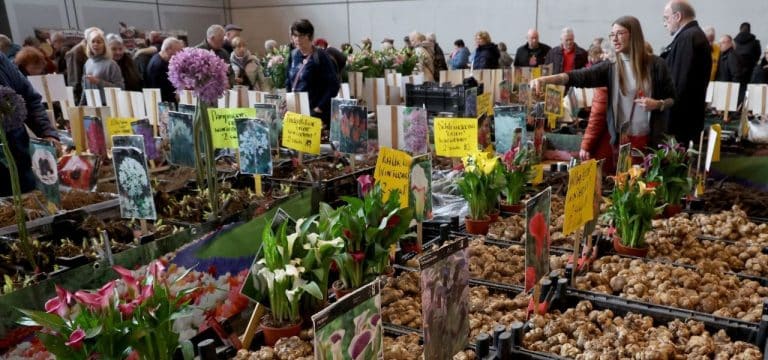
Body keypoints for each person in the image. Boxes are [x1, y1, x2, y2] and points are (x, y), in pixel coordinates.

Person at [531, 15, 676, 153]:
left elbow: (672, 99)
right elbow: (578, 76)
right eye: (612, 35)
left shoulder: (657, 65)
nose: (614, 39)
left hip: (649, 141)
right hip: (621, 141)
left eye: (619, 33)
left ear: (634, 35)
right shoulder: (610, 66)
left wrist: (658, 104)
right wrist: (545, 80)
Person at [0, 53, 60, 196]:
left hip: (19, 155)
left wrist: (47, 132)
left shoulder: (2, 62)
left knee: (29, 203)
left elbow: (30, 100)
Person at [660, 0, 710, 145]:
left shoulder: (687, 38)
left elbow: (678, 82)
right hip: (689, 115)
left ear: (677, 16)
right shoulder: (693, 35)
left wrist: (668, 115)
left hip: (681, 118)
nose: (665, 23)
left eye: (666, 18)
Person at [285, 19, 340, 126]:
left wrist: (319, 108)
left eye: (301, 36)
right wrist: (288, 101)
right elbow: (288, 80)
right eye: (294, 36)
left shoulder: (320, 56)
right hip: (296, 110)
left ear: (309, 36)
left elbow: (334, 85)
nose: (297, 39)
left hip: (315, 112)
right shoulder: (293, 55)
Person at [81, 28, 124, 105]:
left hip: (108, 106)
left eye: (99, 42)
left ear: (104, 45)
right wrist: (81, 105)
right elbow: (85, 88)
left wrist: (98, 82)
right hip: (91, 106)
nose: (95, 44)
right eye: (93, 41)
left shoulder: (111, 64)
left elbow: (120, 88)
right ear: (89, 44)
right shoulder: (87, 63)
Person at [146, 37, 184, 103]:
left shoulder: (160, 59)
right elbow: (162, 92)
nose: (178, 56)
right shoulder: (158, 65)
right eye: (177, 52)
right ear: (167, 49)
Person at [65, 29, 91, 104]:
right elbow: (74, 80)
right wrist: (78, 102)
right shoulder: (75, 52)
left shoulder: (91, 49)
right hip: (82, 96)